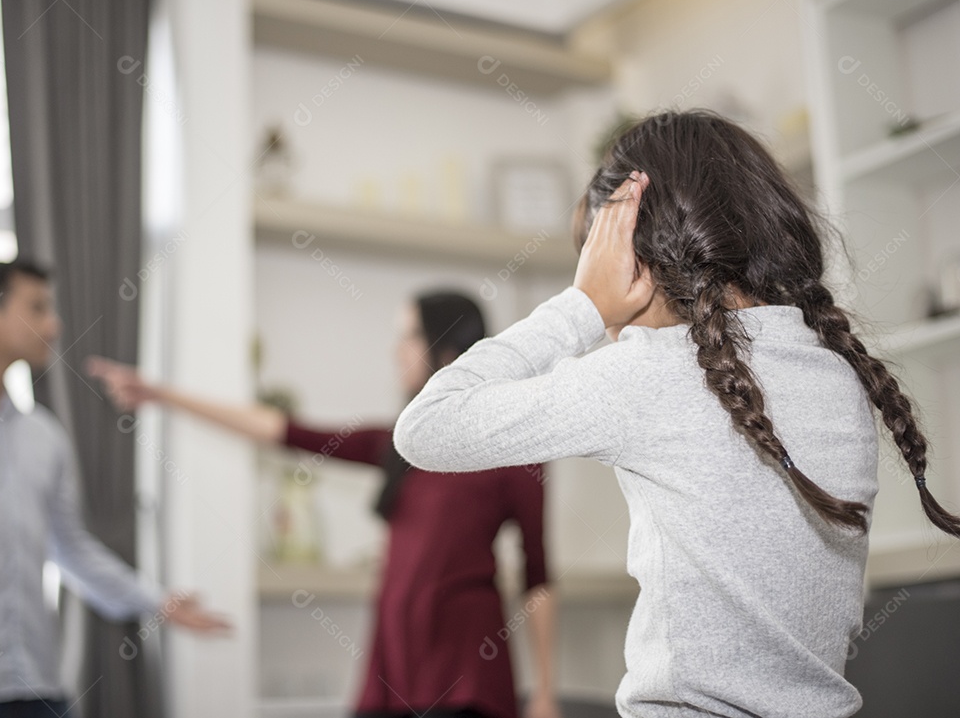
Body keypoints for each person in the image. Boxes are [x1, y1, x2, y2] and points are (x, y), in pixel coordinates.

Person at [392, 110, 960, 717]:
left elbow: (427, 426)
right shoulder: (837, 371)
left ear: (633, 259)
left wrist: (580, 305)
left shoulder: (651, 374)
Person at [87, 291, 560, 718]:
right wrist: (161, 394)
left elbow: (537, 575)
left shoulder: (512, 451)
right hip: (394, 664)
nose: (396, 351)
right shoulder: (400, 443)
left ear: (447, 348)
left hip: (466, 675)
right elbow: (285, 431)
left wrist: (543, 692)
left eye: (408, 337)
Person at [0, 261, 231, 718]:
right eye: (37, 307)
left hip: (36, 690)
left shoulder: (44, 437)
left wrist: (157, 601)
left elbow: (71, 550)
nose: (54, 323)